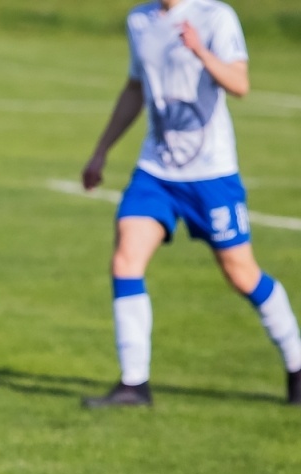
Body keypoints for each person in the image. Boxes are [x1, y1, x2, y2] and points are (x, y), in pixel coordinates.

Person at [82, 0, 300, 407]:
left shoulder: (215, 17)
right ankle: (134, 384)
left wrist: (201, 51)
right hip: (156, 171)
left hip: (211, 175)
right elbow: (135, 88)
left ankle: (297, 363)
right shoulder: (139, 20)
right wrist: (101, 152)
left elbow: (240, 84)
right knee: (125, 260)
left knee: (241, 274)